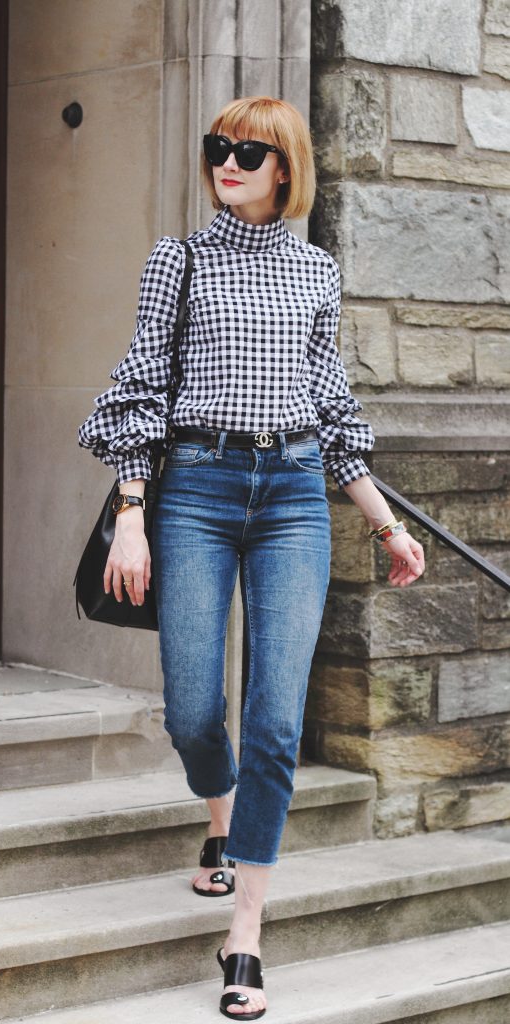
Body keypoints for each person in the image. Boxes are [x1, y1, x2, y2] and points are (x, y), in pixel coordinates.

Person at [78, 95, 425, 1021]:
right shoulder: (178, 262)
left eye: (248, 150)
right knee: (194, 709)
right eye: (218, 147)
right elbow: (139, 392)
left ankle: (246, 934)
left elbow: (334, 413)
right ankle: (217, 823)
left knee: (275, 720)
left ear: (285, 169)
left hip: (293, 500)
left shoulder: (316, 271)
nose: (226, 161)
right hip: (192, 488)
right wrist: (132, 516)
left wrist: (384, 525)